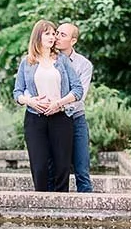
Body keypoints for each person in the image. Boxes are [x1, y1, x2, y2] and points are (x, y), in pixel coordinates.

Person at [12, 20, 84, 192]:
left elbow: (78, 89)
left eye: (54, 33)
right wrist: (31, 101)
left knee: (62, 166)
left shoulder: (62, 61)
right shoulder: (27, 62)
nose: (52, 37)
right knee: (40, 166)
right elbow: (17, 92)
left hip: (60, 118)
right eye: (48, 34)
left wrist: (59, 103)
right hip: (35, 120)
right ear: (38, 36)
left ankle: (61, 210)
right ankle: (41, 208)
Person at [54, 23, 95, 193]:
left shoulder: (84, 65)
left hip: (75, 117)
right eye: (56, 33)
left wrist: (59, 105)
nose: (57, 37)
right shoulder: (48, 59)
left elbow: (80, 96)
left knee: (82, 168)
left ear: (73, 41)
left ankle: (89, 210)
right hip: (52, 119)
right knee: (55, 168)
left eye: (62, 35)